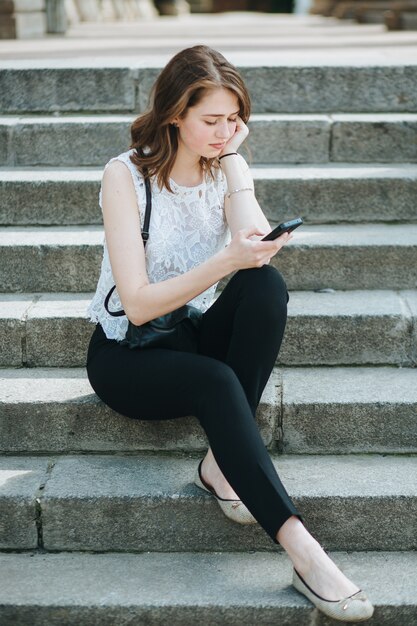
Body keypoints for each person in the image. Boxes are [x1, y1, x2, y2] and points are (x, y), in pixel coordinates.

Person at [86, 44, 374, 622]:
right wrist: (227, 261)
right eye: (211, 121)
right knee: (216, 381)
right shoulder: (126, 176)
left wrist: (236, 166)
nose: (225, 132)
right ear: (175, 115)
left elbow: (254, 248)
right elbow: (139, 306)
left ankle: (222, 463)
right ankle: (303, 550)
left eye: (234, 120)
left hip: (189, 332)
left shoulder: (226, 164)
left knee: (266, 288)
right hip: (128, 355)